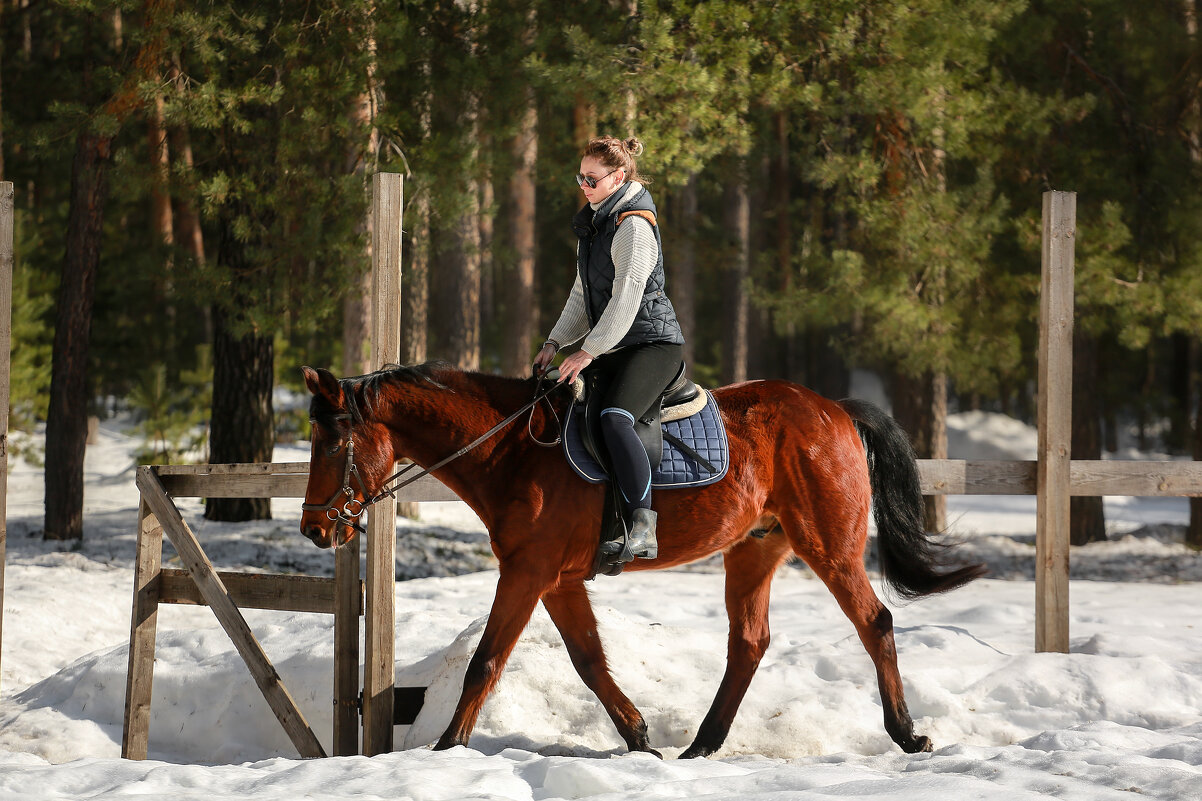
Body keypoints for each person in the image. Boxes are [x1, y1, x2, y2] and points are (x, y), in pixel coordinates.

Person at [533, 135, 685, 563]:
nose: (583, 184)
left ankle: (642, 523)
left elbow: (627, 298)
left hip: (653, 344)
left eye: (592, 178)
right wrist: (555, 341)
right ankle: (602, 526)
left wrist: (587, 352)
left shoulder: (632, 225)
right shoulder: (596, 223)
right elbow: (582, 296)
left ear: (619, 176)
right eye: (579, 176)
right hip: (615, 344)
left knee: (616, 418)